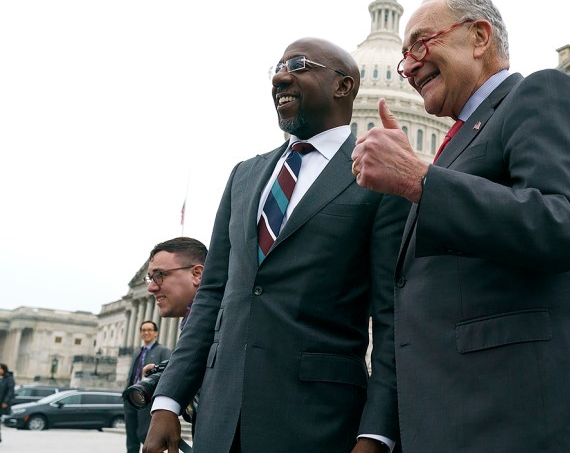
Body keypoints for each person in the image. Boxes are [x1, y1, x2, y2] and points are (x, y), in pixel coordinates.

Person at [351, 0, 570, 452]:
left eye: (422, 44)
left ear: (479, 37)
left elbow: (565, 226)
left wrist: (421, 181)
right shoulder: (457, 144)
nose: (407, 67)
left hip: (523, 417)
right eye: (403, 57)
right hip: (458, 416)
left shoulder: (538, 94)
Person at [142, 38, 409, 453]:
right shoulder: (244, 176)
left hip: (319, 424)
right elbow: (214, 295)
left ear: (344, 86)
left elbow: (392, 318)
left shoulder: (378, 181)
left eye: (299, 65)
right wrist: (167, 400)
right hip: (220, 422)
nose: (281, 76)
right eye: (279, 67)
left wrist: (376, 433)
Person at [142, 237, 207, 426]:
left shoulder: (225, 324)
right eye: (150, 277)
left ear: (197, 274)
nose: (151, 287)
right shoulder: (190, 322)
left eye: (160, 275)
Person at [125, 321, 171, 453]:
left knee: (145, 435)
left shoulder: (163, 351)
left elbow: (166, 374)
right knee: (131, 436)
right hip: (130, 398)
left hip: (147, 400)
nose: (146, 333)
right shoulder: (137, 351)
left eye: (149, 330)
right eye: (143, 330)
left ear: (156, 333)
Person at [0, 363, 14, 443]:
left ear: (3, 369)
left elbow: (10, 392)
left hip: (2, 404)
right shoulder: (2, 379)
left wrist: (5, 402)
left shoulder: (9, 379)